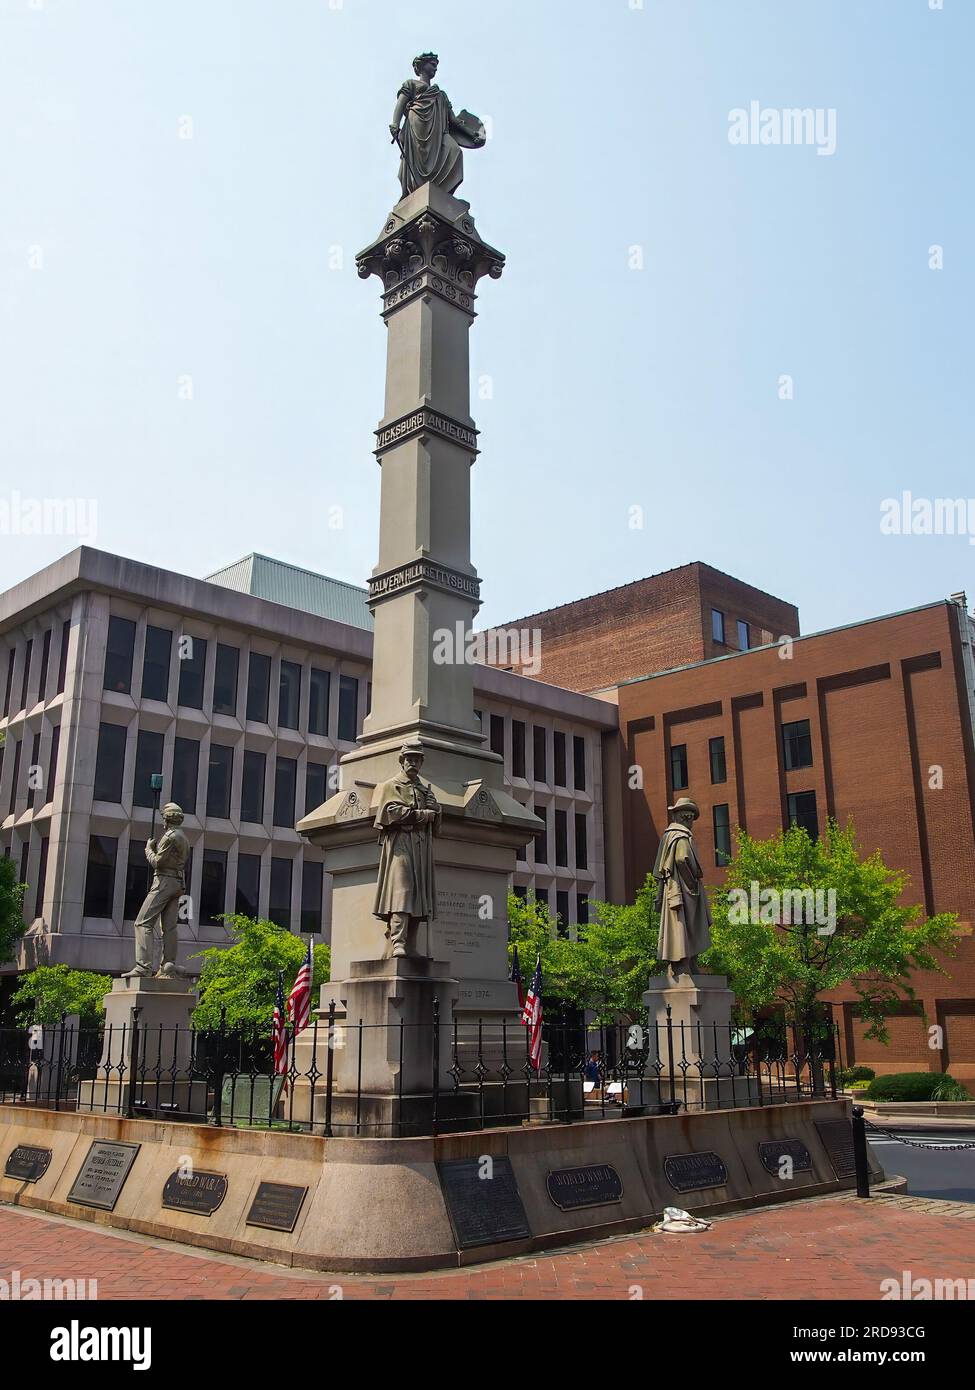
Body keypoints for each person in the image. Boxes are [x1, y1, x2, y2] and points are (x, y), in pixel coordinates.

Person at [373, 742, 441, 957]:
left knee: (419, 896)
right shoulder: (391, 786)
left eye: (416, 759)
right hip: (401, 844)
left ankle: (411, 944)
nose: (412, 762)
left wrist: (436, 810)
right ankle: (398, 942)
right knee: (401, 892)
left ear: (421, 763)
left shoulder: (423, 790)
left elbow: (435, 823)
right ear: (401, 761)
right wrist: (422, 814)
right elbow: (390, 813)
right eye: (408, 759)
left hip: (421, 845)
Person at [389, 53, 485, 199]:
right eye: (432, 64)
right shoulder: (411, 84)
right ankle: (417, 193)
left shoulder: (441, 95)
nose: (435, 68)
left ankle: (441, 196)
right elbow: (401, 104)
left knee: (455, 152)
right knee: (417, 158)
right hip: (418, 125)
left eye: (436, 65)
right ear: (421, 65)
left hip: (439, 132)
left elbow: (453, 120)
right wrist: (395, 123)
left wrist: (472, 134)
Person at [653, 797, 713, 980]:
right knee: (687, 926)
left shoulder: (668, 835)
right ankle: (685, 965)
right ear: (686, 817)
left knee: (679, 927)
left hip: (673, 890)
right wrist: (692, 884)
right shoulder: (681, 837)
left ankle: (682, 965)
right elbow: (681, 859)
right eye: (691, 818)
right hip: (683, 892)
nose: (692, 822)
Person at [132, 802, 189, 977]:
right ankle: (168, 965)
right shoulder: (183, 837)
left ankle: (143, 966)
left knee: (142, 922)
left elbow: (157, 862)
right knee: (170, 926)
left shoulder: (170, 836)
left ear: (167, 819)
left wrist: (149, 849)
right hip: (178, 883)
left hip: (164, 881)